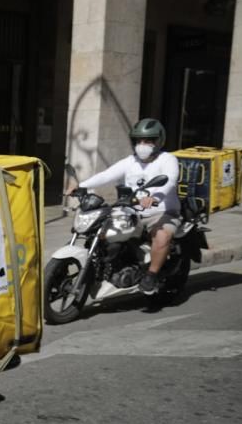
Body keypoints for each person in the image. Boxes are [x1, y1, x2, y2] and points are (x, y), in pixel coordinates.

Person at [75, 117, 180, 294]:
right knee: (102, 232)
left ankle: (151, 276)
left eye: (148, 141)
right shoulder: (130, 161)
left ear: (158, 141)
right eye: (139, 140)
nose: (142, 145)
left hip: (161, 211)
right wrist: (80, 186)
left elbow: (169, 181)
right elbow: (106, 175)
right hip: (131, 211)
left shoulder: (167, 159)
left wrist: (154, 197)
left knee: (162, 237)